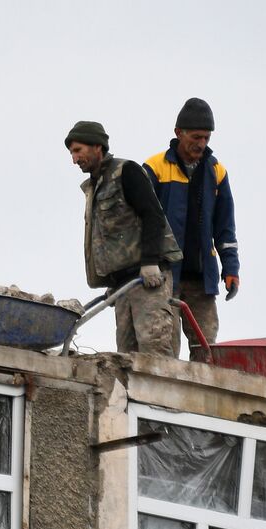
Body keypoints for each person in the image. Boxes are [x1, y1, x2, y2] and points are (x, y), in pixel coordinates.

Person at [66, 120, 182, 357]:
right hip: (123, 285)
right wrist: (111, 282)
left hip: (148, 280)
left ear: (97, 146)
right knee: (126, 356)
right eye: (71, 153)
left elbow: (153, 215)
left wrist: (150, 262)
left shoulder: (126, 171)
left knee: (154, 351)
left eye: (78, 150)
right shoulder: (93, 187)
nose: (74, 159)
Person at [144, 98, 238, 360]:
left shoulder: (216, 172)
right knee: (164, 347)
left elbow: (225, 227)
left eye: (206, 138)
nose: (201, 144)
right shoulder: (155, 168)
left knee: (206, 349)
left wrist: (231, 268)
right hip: (164, 276)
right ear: (179, 133)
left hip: (201, 278)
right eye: (196, 137)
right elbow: (138, 222)